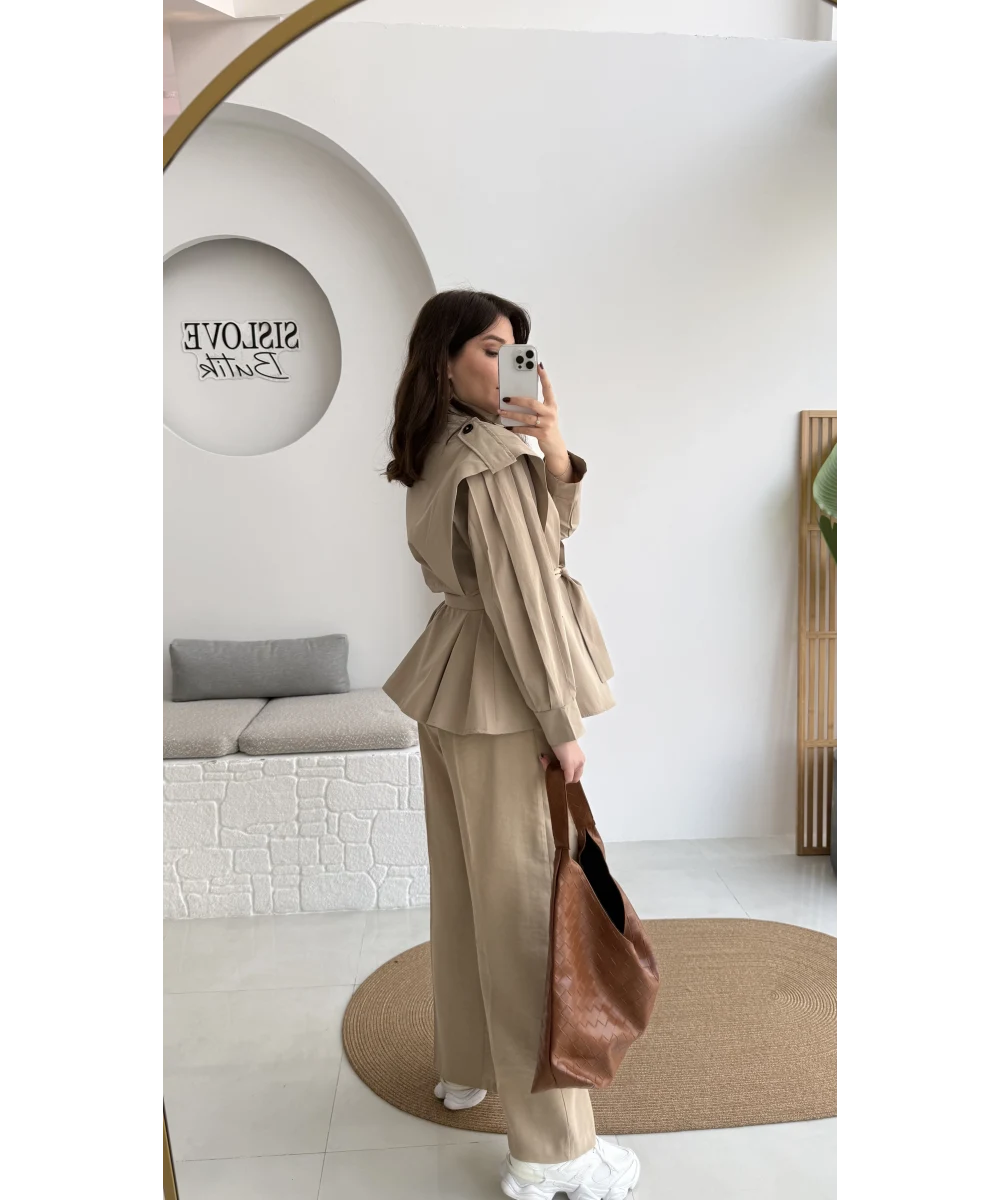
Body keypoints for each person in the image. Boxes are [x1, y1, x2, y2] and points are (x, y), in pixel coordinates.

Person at [383, 290, 639, 1200]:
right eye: (491, 349)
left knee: (467, 894)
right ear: (444, 359)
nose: (511, 365)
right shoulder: (489, 462)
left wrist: (555, 449)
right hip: (505, 697)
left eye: (517, 349)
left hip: (454, 687)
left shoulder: (445, 444)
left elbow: (550, 529)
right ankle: (554, 1152)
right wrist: (561, 725)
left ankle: (467, 1067)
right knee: (530, 914)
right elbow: (526, 604)